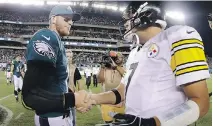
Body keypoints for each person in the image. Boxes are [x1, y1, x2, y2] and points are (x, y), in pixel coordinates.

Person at [81, 2, 210, 126]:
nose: (125, 24)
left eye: (127, 18)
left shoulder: (177, 36)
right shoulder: (135, 53)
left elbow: (201, 102)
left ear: (142, 16)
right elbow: (121, 93)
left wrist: (152, 123)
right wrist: (92, 98)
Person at [21, 5, 93, 126]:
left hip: (61, 114)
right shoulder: (47, 37)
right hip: (52, 118)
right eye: (66, 19)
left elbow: (56, 82)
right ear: (54, 19)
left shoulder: (58, 41)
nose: (71, 23)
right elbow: (31, 94)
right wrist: (73, 99)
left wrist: (73, 97)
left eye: (71, 20)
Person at [97, 51, 126, 124]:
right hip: (106, 101)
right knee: (108, 123)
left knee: (120, 123)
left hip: (120, 103)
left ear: (123, 59)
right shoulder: (105, 69)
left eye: (119, 57)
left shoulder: (124, 69)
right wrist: (102, 67)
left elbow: (125, 76)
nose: (117, 58)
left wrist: (116, 67)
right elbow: (100, 80)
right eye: (116, 57)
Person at [67, 49, 84, 126]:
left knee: (72, 119)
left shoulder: (74, 68)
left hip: (71, 96)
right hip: (59, 97)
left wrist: (79, 95)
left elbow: (80, 82)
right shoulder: (57, 67)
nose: (69, 58)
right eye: (67, 56)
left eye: (70, 57)